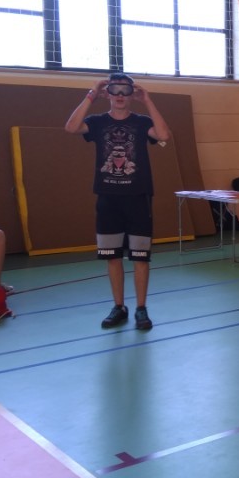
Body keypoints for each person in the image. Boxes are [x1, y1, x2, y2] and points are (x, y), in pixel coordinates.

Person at [64, 72, 172, 331]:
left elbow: (164, 135)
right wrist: (92, 93)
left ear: (132, 94)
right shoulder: (97, 122)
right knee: (112, 256)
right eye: (115, 89)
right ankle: (119, 306)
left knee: (140, 257)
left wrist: (147, 100)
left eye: (126, 90)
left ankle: (141, 308)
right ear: (107, 93)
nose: (120, 95)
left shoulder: (142, 122)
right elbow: (71, 127)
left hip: (138, 198)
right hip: (108, 198)